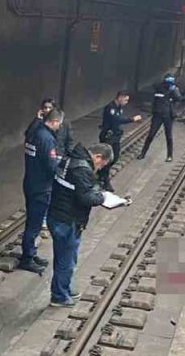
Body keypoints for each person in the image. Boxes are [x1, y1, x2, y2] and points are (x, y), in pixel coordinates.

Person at [47, 143, 128, 307]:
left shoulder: (70, 158)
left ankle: (64, 287)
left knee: (67, 257)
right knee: (65, 260)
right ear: (98, 157)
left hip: (57, 213)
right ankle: (59, 296)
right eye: (101, 164)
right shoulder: (82, 169)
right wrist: (103, 197)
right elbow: (86, 198)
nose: (99, 168)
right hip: (68, 219)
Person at [19, 109, 63, 274]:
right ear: (54, 121)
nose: (59, 127)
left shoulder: (33, 132)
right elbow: (51, 166)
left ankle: (31, 253)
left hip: (30, 181)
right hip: (41, 187)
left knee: (32, 221)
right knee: (34, 225)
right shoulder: (47, 139)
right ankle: (27, 258)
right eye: (58, 123)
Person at [98, 91, 142, 191]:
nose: (126, 102)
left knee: (115, 157)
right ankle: (105, 180)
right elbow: (117, 119)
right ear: (120, 97)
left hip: (115, 136)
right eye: (125, 100)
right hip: (108, 136)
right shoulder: (110, 108)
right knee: (107, 158)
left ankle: (101, 173)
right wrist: (132, 119)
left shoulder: (119, 107)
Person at [137, 73, 183, 162]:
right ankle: (143, 153)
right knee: (151, 135)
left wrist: (174, 90)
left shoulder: (173, 89)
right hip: (157, 115)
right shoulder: (159, 88)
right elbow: (155, 98)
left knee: (168, 136)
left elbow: (179, 98)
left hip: (168, 115)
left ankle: (169, 155)